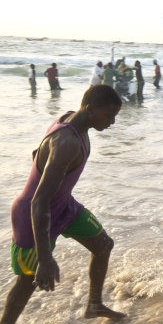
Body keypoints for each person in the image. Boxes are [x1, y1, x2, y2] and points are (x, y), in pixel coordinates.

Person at [1, 85, 125, 323]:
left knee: (103, 245)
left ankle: (95, 305)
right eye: (109, 116)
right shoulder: (68, 142)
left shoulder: (70, 118)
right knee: (28, 281)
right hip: (33, 214)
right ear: (90, 109)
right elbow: (39, 201)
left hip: (64, 206)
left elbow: (37, 152)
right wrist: (45, 259)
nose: (112, 123)